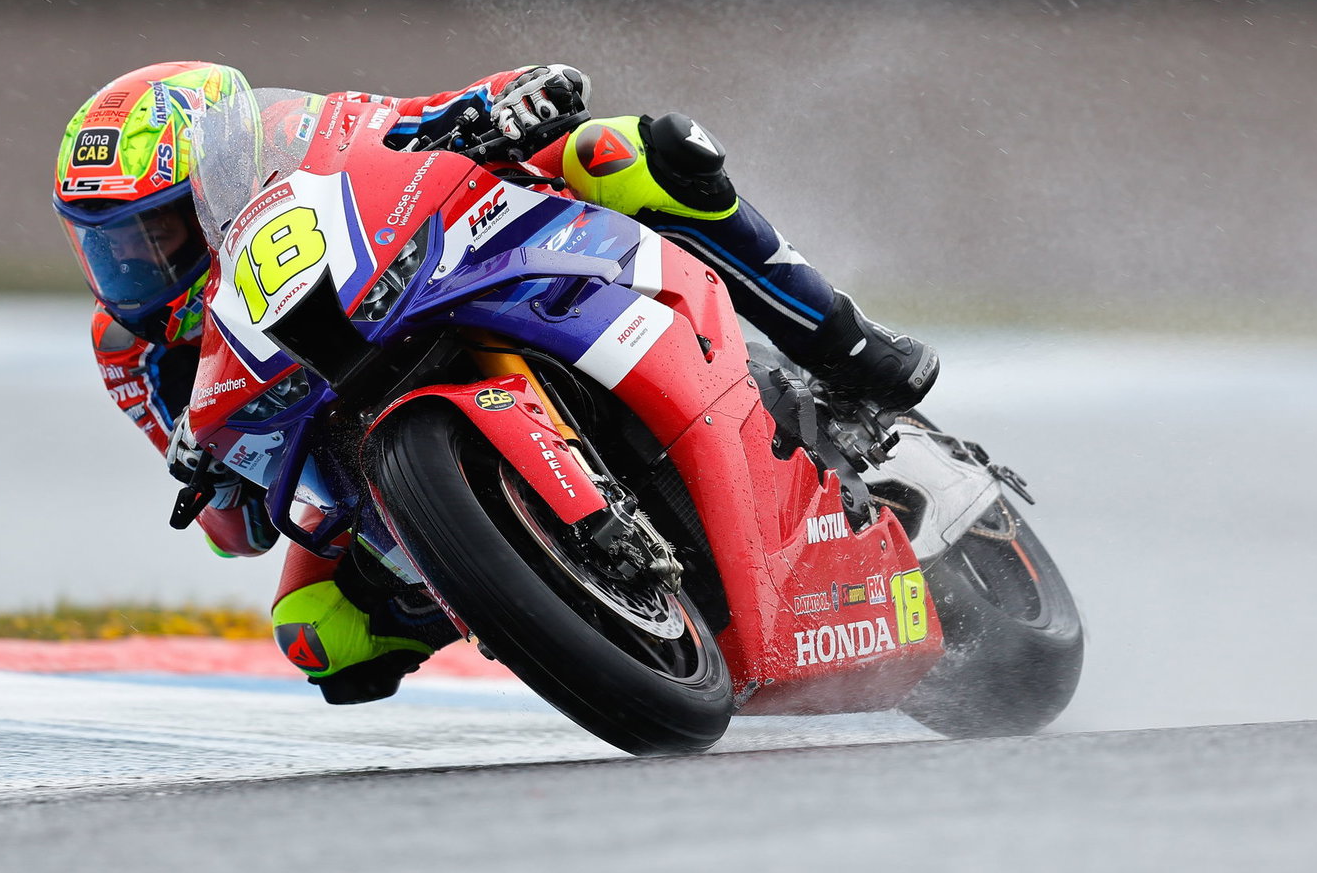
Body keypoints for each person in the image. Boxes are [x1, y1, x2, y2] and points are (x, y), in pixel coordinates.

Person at [52, 60, 939, 704]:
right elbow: (234, 530)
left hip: (450, 268)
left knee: (625, 151)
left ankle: (848, 345)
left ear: (215, 180)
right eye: (106, 245)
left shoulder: (294, 137)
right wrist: (214, 477)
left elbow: (413, 117)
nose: (131, 263)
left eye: (154, 231)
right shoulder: (128, 348)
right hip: (344, 436)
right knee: (320, 633)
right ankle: (519, 577)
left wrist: (509, 100)